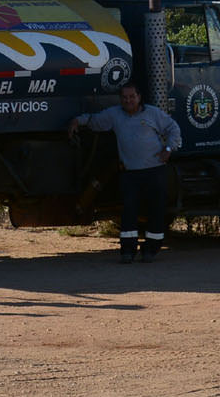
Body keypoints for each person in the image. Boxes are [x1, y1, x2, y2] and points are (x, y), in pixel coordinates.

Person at [68, 84, 183, 263]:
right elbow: (95, 120)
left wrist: (168, 149)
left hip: (155, 171)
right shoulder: (115, 115)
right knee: (129, 211)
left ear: (139, 97)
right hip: (130, 174)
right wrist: (78, 121)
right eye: (124, 97)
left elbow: (173, 129)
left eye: (132, 97)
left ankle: (151, 250)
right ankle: (128, 250)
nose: (128, 100)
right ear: (120, 99)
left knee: (156, 210)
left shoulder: (153, 113)